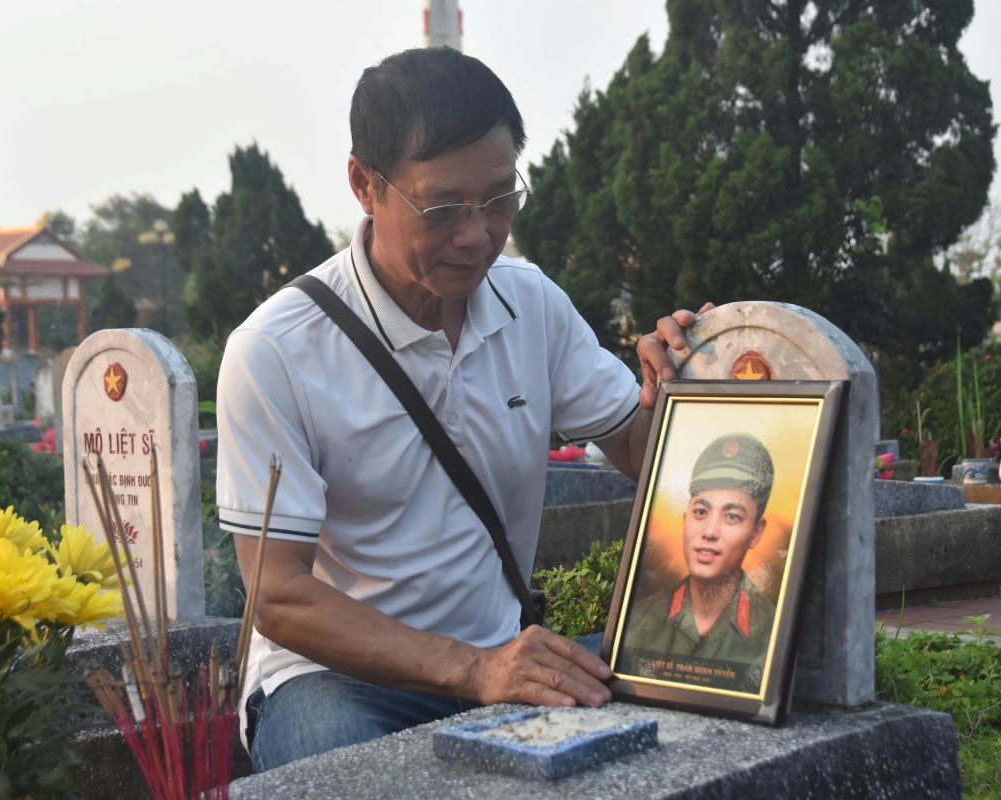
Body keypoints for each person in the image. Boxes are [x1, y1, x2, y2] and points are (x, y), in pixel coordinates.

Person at [215, 46, 711, 773]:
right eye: (443, 207)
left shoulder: (530, 304)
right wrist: (474, 672)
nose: (477, 234)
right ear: (364, 184)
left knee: (709, 694)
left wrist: (687, 385)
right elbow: (280, 595)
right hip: (338, 684)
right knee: (352, 775)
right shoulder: (277, 351)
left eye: (500, 199)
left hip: (504, 663)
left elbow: (648, 454)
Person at [621, 433, 777, 691]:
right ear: (685, 519)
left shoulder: (772, 631)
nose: (710, 531)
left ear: (756, 532)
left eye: (732, 516)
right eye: (701, 512)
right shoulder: (639, 620)